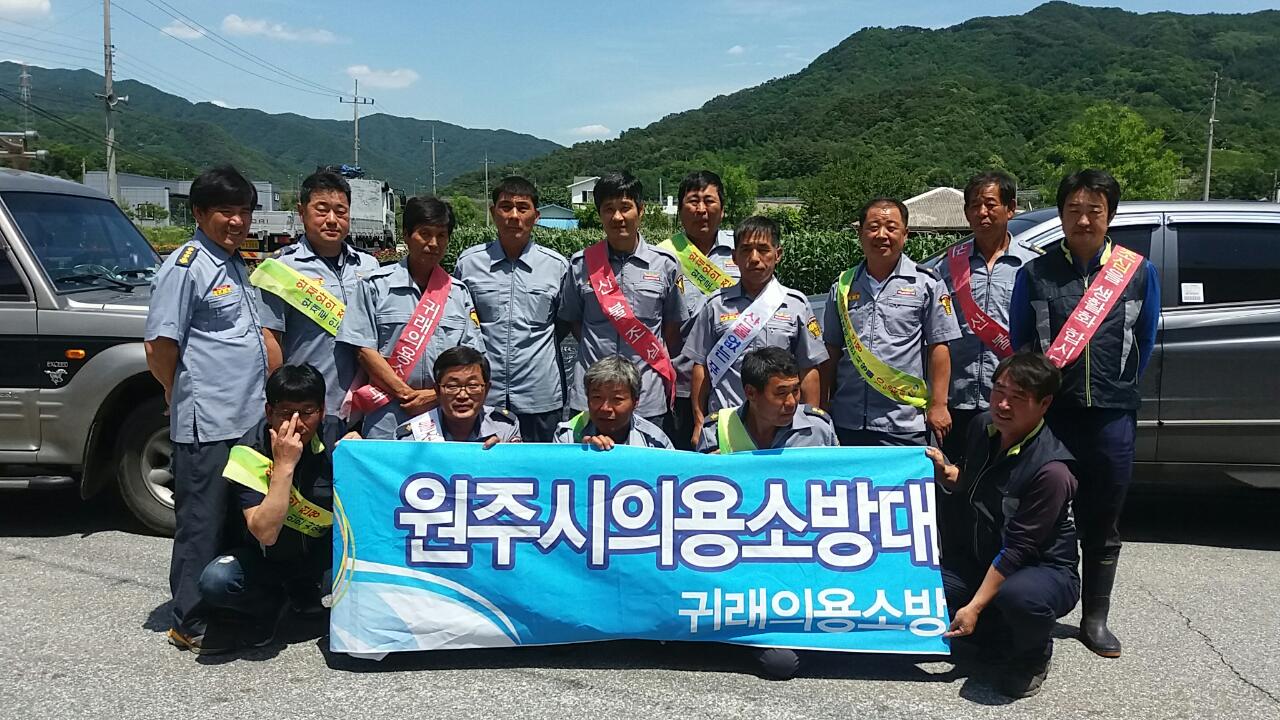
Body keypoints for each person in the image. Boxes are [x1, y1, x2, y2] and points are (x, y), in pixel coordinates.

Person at [1009, 169, 1160, 659]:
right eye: (1073, 209)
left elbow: (1145, 341)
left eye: (1094, 210)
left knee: (1103, 516)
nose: (1083, 219)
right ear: (1060, 214)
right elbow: (1020, 341)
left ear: (1109, 215)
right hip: (1052, 415)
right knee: (1042, 513)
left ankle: (1095, 618)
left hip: (1112, 414)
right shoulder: (1036, 273)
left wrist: (1117, 386)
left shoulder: (1138, 271)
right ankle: (1034, 607)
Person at [144, 165, 269, 653]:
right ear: (198, 213)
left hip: (246, 419)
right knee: (202, 522)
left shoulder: (234, 263)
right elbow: (159, 346)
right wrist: (176, 391)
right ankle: (189, 620)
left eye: (244, 211)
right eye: (225, 211)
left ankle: (225, 609)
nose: (237, 221)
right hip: (208, 423)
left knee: (237, 522)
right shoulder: (186, 266)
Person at [924, 352, 1080, 698]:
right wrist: (945, 472)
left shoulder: (1053, 472)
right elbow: (969, 480)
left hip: (1039, 570)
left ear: (1044, 404)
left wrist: (975, 606)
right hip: (982, 560)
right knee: (920, 585)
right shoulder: (983, 427)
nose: (1003, 404)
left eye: (1018, 397)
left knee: (1020, 598)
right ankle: (995, 632)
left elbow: (1018, 551)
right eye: (998, 391)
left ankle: (1032, 656)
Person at [197, 364, 349, 652]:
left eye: (307, 412)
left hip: (318, 556)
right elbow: (265, 533)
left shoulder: (336, 434)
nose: (296, 423)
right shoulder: (248, 452)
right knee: (216, 581)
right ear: (269, 412)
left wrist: (360, 449)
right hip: (265, 559)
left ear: (322, 411)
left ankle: (307, 594)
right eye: (285, 413)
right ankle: (268, 605)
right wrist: (284, 466)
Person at [337, 196, 484, 439]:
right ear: (406, 235)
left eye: (441, 235)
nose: (433, 243)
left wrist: (434, 396)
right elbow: (363, 350)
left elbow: (473, 357)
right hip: (386, 415)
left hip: (444, 417)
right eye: (425, 234)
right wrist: (405, 393)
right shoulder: (375, 286)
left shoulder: (459, 294)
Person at [819, 197, 961, 446]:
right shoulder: (842, 286)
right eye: (873, 227)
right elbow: (830, 349)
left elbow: (939, 346)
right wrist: (821, 404)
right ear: (860, 234)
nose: (881, 235)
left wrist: (939, 405)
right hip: (847, 419)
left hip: (903, 421)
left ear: (905, 234)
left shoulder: (927, 284)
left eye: (891, 228)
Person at [559, 171, 686, 430]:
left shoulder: (666, 265)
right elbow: (574, 321)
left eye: (625, 207)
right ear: (599, 214)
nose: (617, 217)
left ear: (641, 210)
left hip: (647, 398)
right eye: (609, 209)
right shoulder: (581, 264)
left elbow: (672, 327)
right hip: (592, 399)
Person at [687, 216, 826, 447]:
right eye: (746, 250)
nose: (754, 258)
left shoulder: (796, 305)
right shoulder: (715, 305)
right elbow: (701, 365)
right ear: (734, 257)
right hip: (727, 424)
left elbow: (809, 367)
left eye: (763, 250)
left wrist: (809, 424)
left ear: (778, 254)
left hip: (782, 429)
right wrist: (699, 421)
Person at [937, 171, 1043, 465]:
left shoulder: (1034, 264)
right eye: (974, 205)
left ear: (1011, 208)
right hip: (956, 399)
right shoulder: (948, 265)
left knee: (1006, 477)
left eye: (990, 204)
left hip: (1012, 398)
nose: (982, 212)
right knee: (955, 477)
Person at [255, 169, 380, 414]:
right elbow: (270, 339)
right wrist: (280, 403)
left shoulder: (369, 265)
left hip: (364, 403)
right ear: (302, 212)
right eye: (322, 210)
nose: (332, 220)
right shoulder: (281, 269)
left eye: (341, 211)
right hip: (307, 407)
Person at [454, 177, 569, 442]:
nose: (514, 216)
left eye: (522, 208)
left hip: (539, 395)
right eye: (506, 207)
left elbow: (563, 323)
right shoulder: (469, 264)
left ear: (536, 216)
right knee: (486, 465)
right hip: (483, 394)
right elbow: (463, 323)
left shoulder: (557, 267)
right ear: (493, 212)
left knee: (540, 464)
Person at [662, 170, 740, 448]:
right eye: (693, 201)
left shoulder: (743, 250)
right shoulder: (663, 255)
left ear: (723, 208)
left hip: (734, 384)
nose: (701, 210)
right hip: (679, 385)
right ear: (680, 210)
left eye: (709, 201)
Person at [394, 346, 522, 446]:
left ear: (486, 389)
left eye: (472, 386)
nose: (462, 395)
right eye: (452, 386)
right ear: (437, 391)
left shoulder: (505, 426)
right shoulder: (412, 436)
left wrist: (503, 455)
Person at [553, 355, 674, 449]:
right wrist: (582, 455)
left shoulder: (655, 442)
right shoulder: (567, 436)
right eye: (597, 397)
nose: (605, 408)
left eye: (617, 399)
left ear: (635, 402)